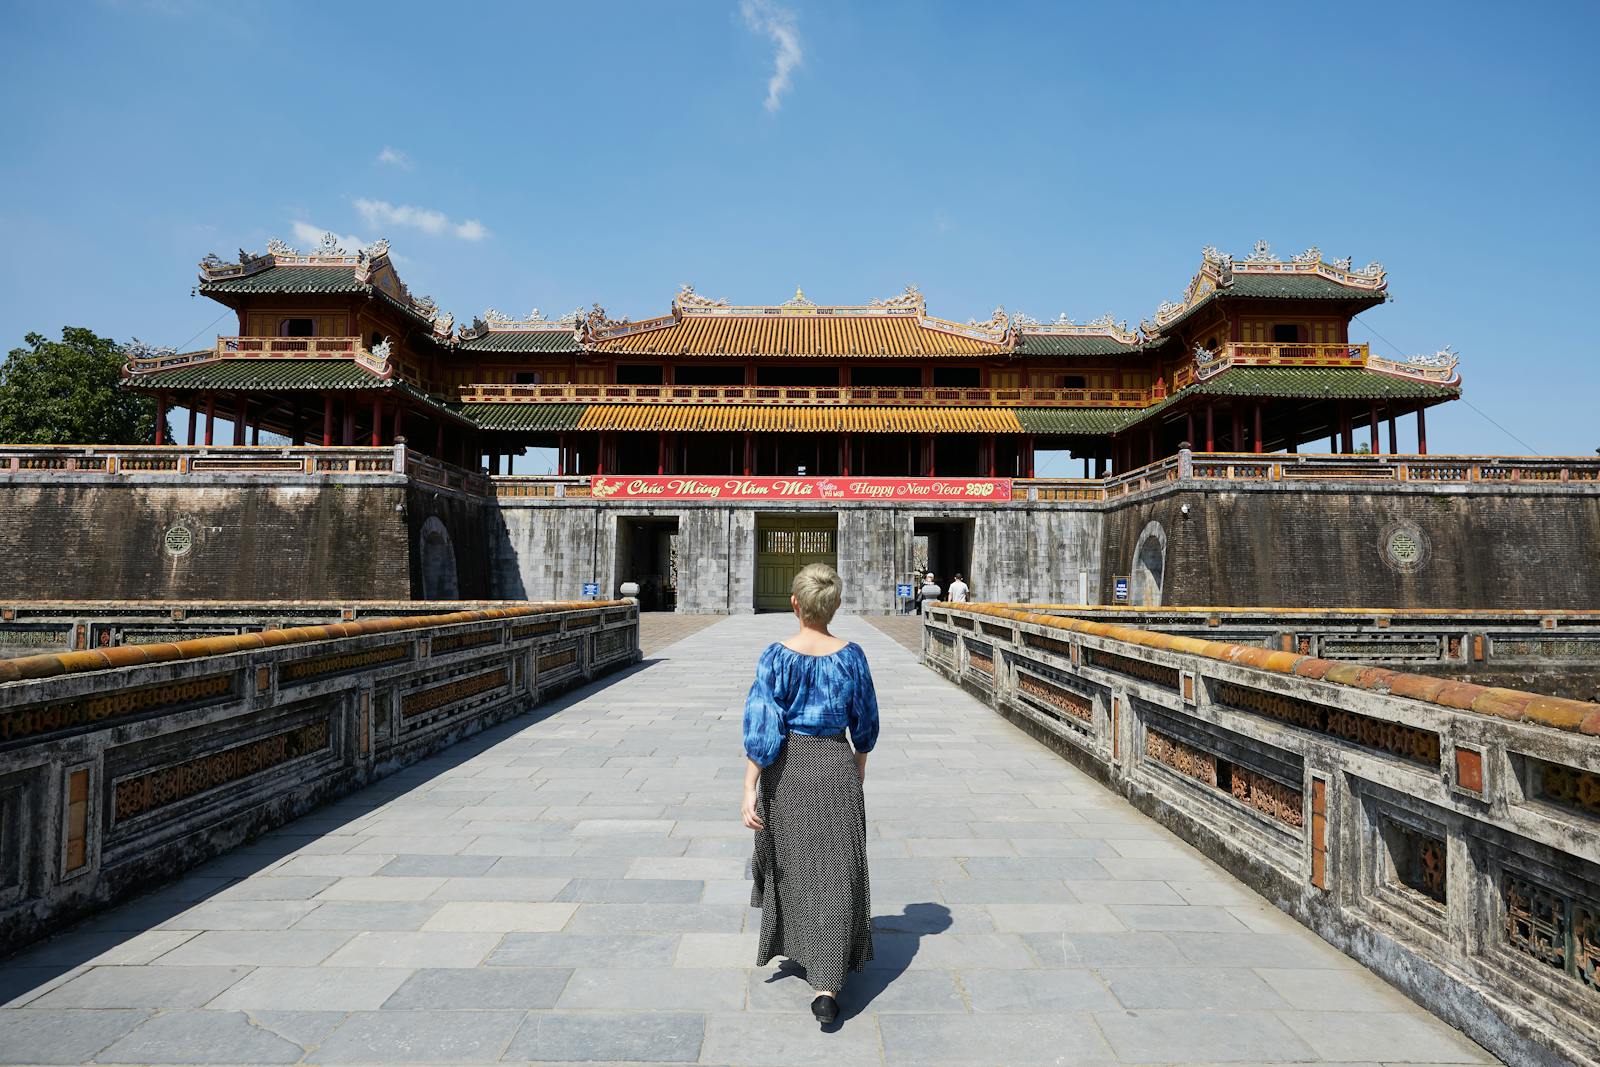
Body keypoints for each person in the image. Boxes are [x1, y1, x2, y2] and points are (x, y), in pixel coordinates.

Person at [742, 563, 878, 1027]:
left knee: (796, 865)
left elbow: (762, 726)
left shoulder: (776, 657)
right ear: (834, 607)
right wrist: (856, 767)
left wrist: (749, 786)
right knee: (838, 867)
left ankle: (803, 950)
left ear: (795, 604)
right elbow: (865, 722)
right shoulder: (852, 656)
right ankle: (828, 981)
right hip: (836, 763)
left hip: (788, 767)